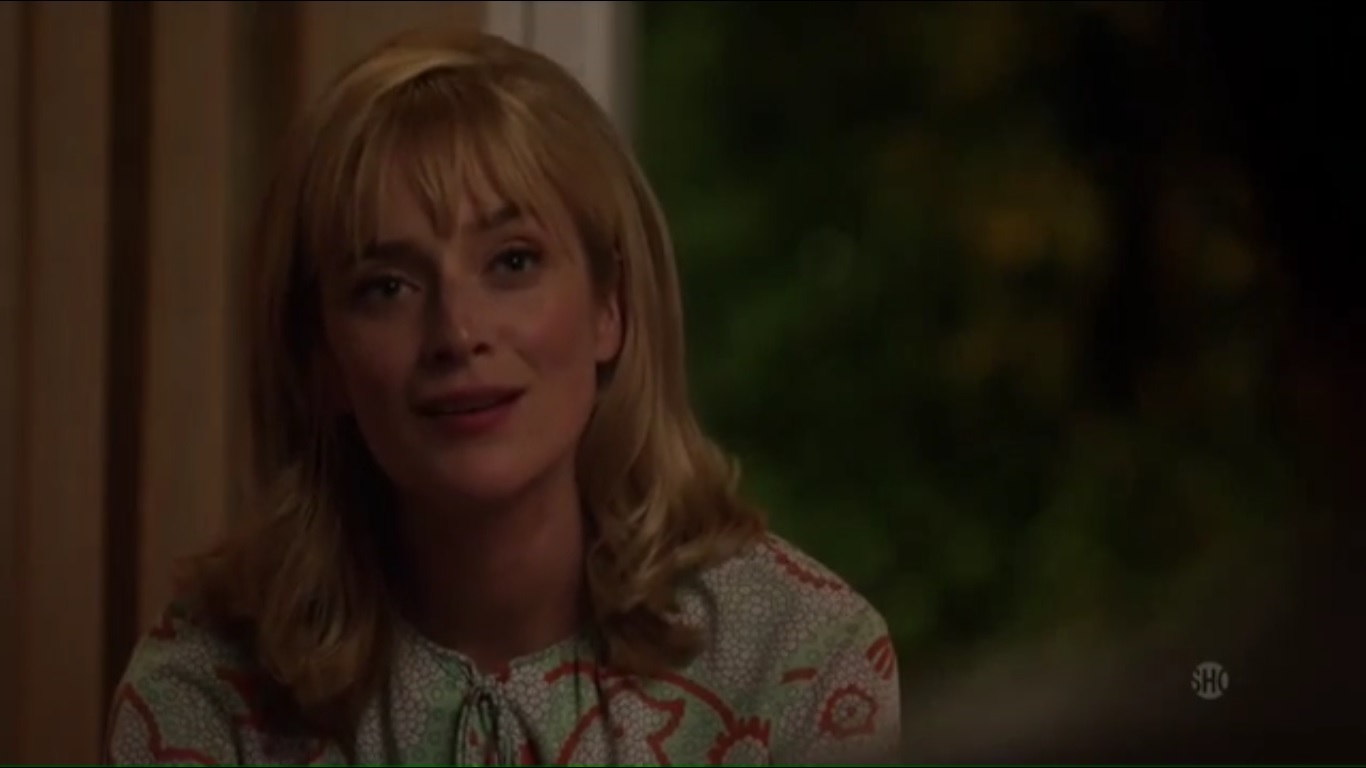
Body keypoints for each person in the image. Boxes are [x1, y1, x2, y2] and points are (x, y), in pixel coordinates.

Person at [105, 28, 899, 766]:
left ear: (611, 309)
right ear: (320, 360)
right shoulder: (208, 691)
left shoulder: (794, 662)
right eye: (387, 286)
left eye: (512, 262)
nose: (457, 333)